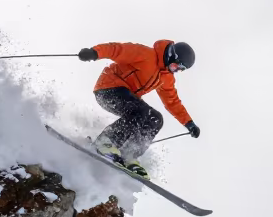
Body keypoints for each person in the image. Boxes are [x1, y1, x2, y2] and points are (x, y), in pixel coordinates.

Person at [77, 40, 199, 179]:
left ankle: (129, 154)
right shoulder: (146, 54)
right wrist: (94, 52)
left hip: (128, 98)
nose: (176, 70)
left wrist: (189, 123)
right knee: (141, 111)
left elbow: (172, 102)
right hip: (108, 89)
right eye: (177, 66)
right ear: (171, 55)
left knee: (155, 118)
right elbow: (117, 50)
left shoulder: (166, 77)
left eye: (180, 69)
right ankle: (106, 141)